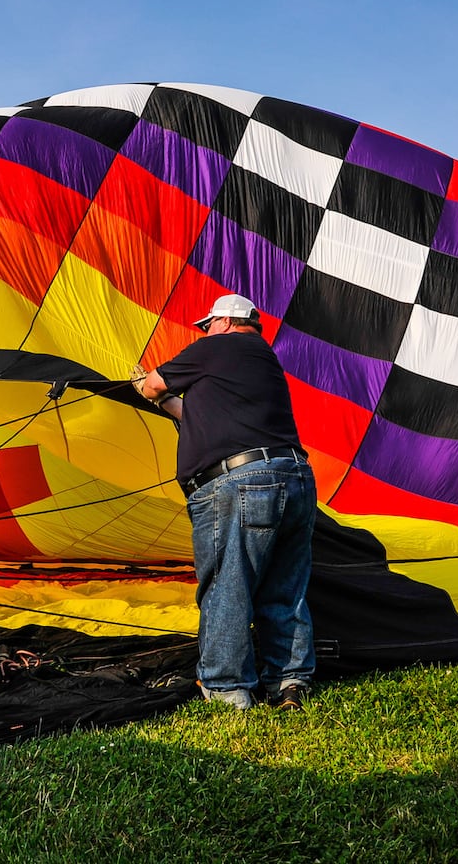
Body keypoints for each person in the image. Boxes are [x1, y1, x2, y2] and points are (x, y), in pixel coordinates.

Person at [132, 293, 316, 710]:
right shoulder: (262, 362)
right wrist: (166, 402)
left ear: (226, 322)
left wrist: (142, 384)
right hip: (295, 478)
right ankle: (289, 682)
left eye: (208, 324)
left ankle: (228, 689)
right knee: (285, 587)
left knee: (226, 586)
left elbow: (154, 384)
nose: (204, 332)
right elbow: (189, 413)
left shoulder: (218, 347)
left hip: (240, 483)